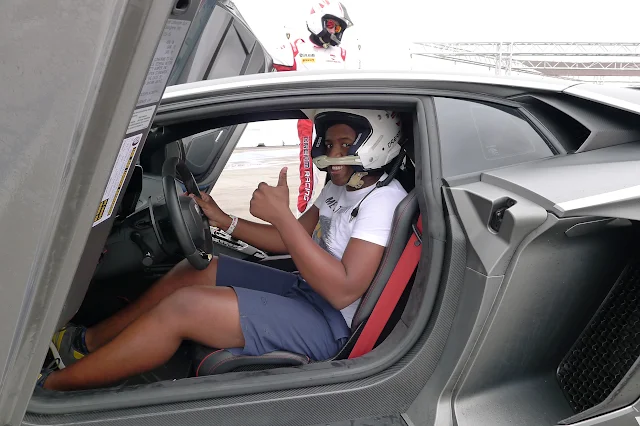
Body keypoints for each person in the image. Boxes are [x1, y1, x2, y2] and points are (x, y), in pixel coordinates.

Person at [39, 108, 407, 391]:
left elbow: (343, 289)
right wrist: (223, 219)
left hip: (332, 325)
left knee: (185, 307)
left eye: (345, 145)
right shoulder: (339, 188)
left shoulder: (383, 201)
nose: (332, 154)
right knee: (197, 270)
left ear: (375, 145)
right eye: (328, 144)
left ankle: (48, 388)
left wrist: (281, 216)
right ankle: (84, 344)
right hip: (308, 289)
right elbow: (287, 242)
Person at [271, 0, 354, 216]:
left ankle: (338, 206)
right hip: (309, 117)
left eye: (338, 27)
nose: (335, 31)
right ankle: (303, 212)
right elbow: (269, 71)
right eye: (331, 25)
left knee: (342, 162)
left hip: (337, 118)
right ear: (317, 21)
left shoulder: (342, 53)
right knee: (308, 168)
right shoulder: (294, 48)